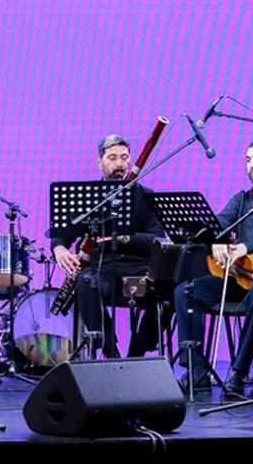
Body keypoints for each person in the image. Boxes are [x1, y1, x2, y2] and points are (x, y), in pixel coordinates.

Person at [171, 139, 253, 398]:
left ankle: (239, 371)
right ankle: (197, 369)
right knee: (186, 291)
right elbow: (220, 222)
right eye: (248, 160)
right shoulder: (242, 199)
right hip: (238, 275)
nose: (251, 165)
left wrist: (247, 247)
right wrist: (216, 240)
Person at [50, 133, 167, 359]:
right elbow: (62, 233)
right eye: (112, 158)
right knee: (85, 282)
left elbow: (157, 238)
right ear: (99, 162)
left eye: (124, 157)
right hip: (103, 269)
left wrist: (123, 239)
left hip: (139, 268)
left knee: (170, 290)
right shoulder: (89, 197)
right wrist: (59, 248)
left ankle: (137, 355)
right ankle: (110, 353)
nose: (119, 164)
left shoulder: (144, 196)